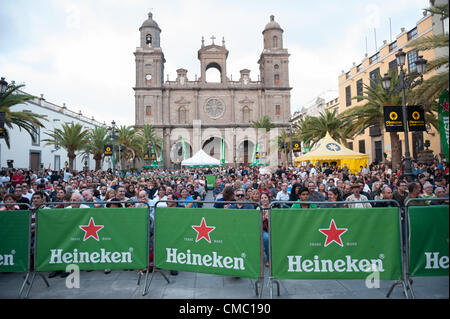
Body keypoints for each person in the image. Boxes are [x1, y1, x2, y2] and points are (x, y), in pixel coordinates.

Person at [257, 192, 271, 267]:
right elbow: (256, 222)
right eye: (262, 198)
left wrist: (270, 218)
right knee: (266, 238)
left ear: (269, 199)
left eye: (265, 197)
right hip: (263, 230)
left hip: (273, 229)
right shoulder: (259, 208)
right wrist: (264, 218)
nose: (264, 199)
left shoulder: (273, 207)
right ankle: (269, 259)